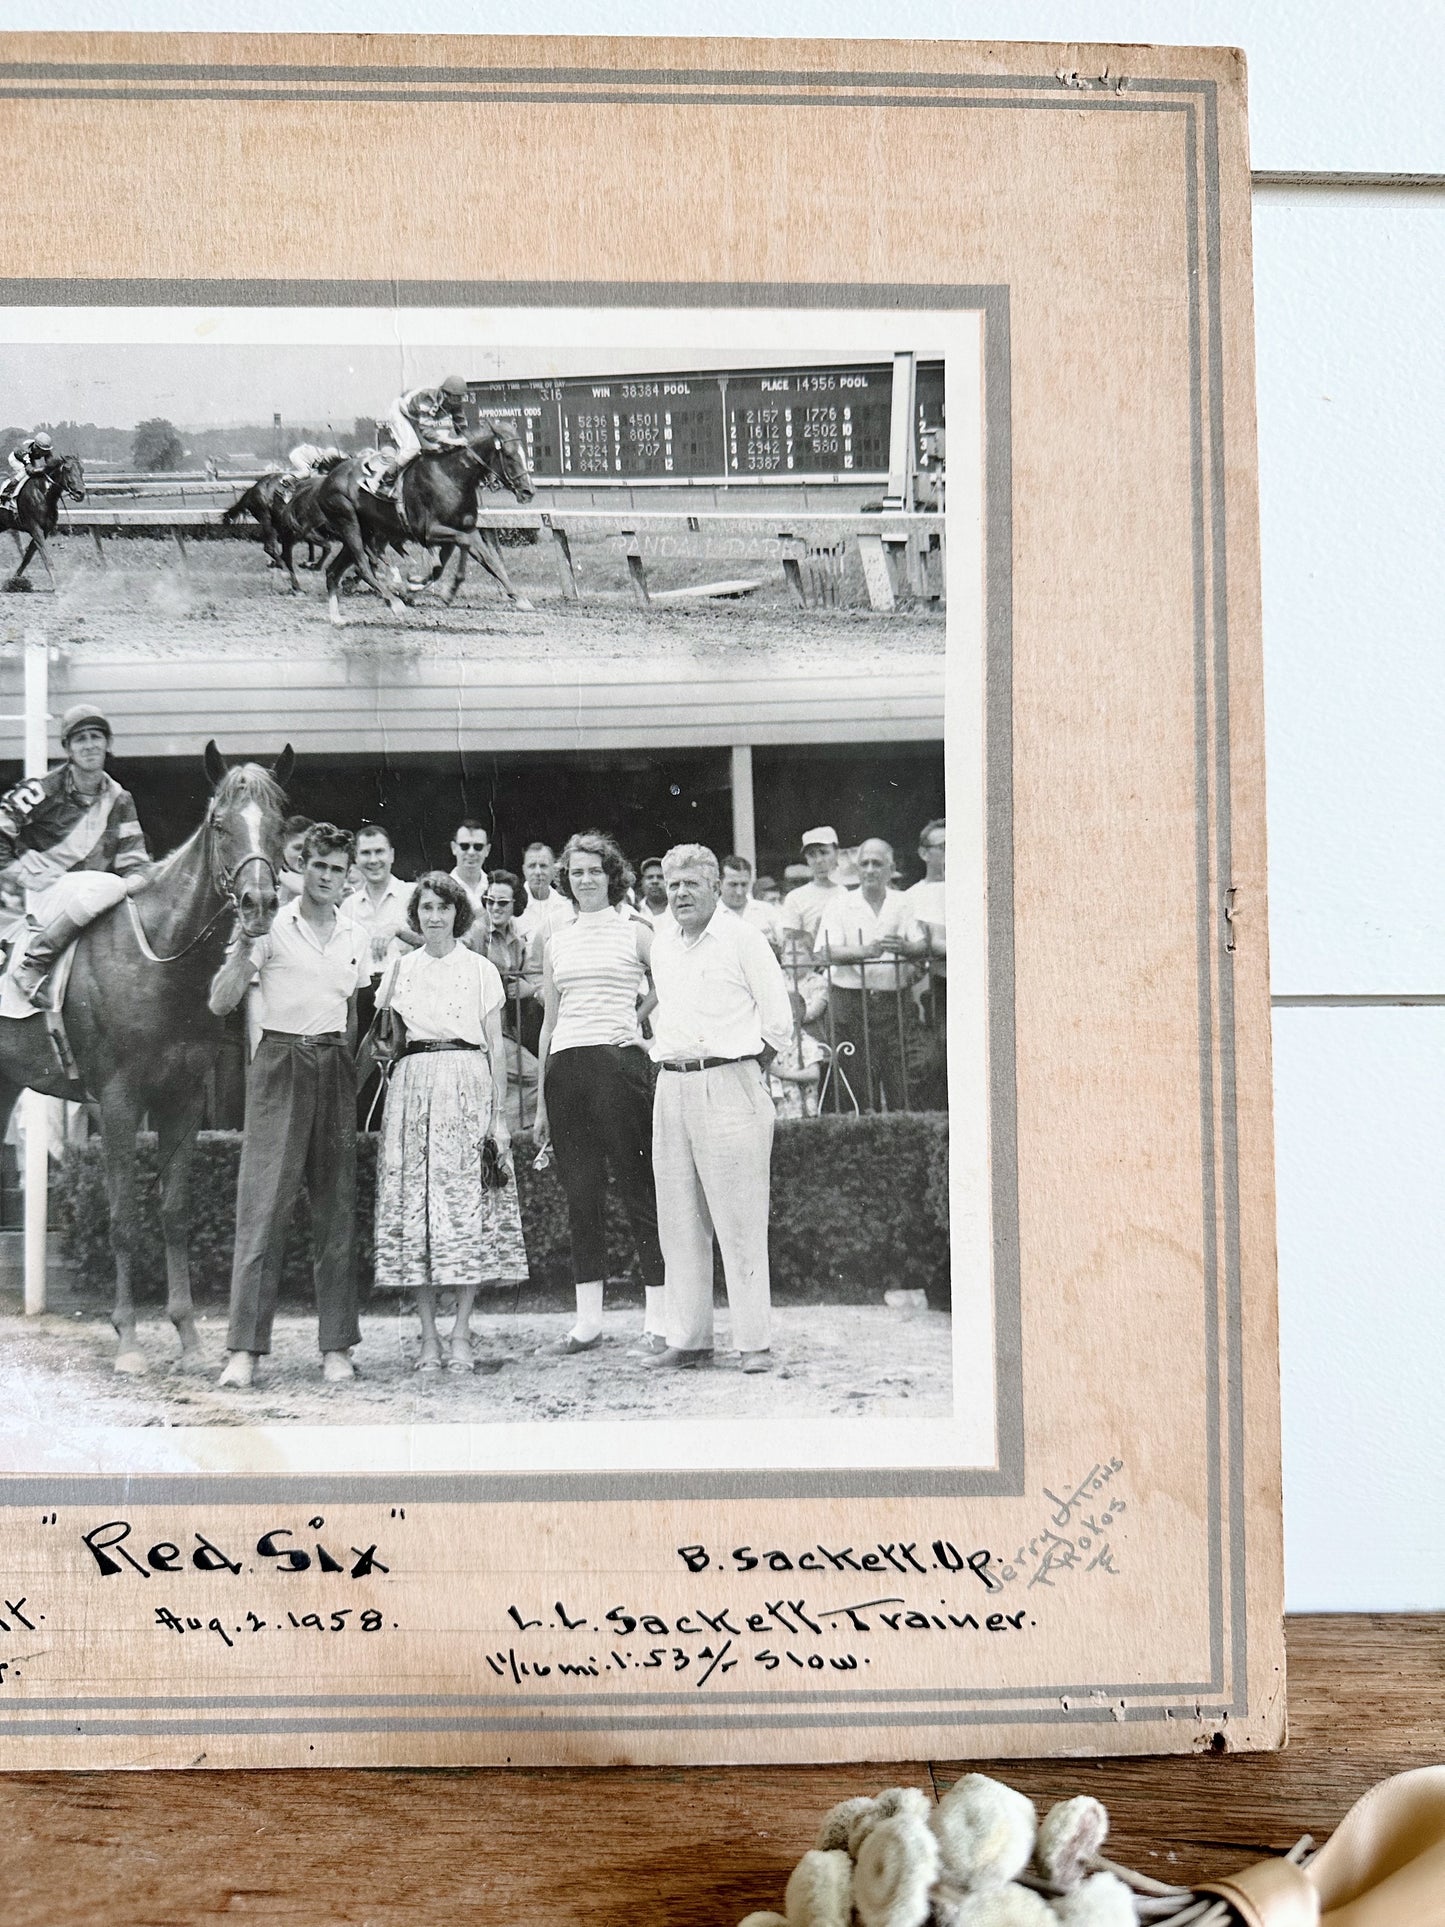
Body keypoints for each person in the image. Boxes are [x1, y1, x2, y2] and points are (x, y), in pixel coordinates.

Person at [208, 824, 370, 1389]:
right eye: (318, 866)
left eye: (336, 869)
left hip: (333, 1062)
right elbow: (222, 1000)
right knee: (263, 1211)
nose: (326, 877)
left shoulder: (355, 932)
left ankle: (337, 1348)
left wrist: (344, 1062)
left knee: (335, 1212)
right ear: (301, 868)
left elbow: (352, 1009)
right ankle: (244, 1352)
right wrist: (244, 946)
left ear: (348, 875)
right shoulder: (271, 924)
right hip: (279, 1062)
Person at [645, 844, 793, 1374]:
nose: (680, 893)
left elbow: (778, 1020)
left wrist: (744, 1069)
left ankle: (753, 1343)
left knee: (739, 1220)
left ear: (714, 887)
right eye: (672, 883)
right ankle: (689, 1339)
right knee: (679, 1220)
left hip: (730, 1082)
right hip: (672, 1086)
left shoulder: (743, 938)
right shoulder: (662, 943)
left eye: (690, 884)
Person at [372, 871, 527, 1373]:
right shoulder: (400, 969)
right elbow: (384, 1039)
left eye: (443, 907)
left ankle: (461, 1332)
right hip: (413, 1090)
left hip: (468, 1085)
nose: (433, 916)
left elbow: (496, 1049)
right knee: (416, 1211)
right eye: (425, 908)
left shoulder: (480, 970)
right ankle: (427, 1338)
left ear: (457, 913)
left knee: (466, 1210)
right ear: (414, 914)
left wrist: (498, 1119)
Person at [532, 829, 667, 1357]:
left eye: (594, 870)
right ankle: (587, 1324)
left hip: (619, 1068)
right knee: (580, 1196)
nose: (585, 879)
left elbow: (672, 984)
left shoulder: (636, 930)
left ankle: (657, 1322)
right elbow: (549, 1021)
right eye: (576, 871)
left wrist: (643, 1030)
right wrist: (543, 1100)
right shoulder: (555, 935)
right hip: (566, 1069)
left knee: (638, 1190)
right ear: (566, 878)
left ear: (613, 876)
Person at [0, 704, 151, 1007]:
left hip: (97, 900)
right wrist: (27, 874)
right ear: (68, 748)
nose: (90, 745)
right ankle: (34, 964)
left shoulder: (120, 798)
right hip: (49, 896)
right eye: (80, 739)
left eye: (96, 736)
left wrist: (139, 879)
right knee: (108, 885)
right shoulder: (42, 790)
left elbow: (134, 860)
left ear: (108, 744)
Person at [813, 836, 927, 1114]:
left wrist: (906, 948)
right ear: (857, 870)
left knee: (899, 1080)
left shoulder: (904, 902)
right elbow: (824, 952)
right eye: (864, 863)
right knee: (857, 1086)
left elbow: (922, 944)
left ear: (890, 869)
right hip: (850, 1004)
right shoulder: (840, 904)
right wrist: (865, 951)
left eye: (878, 863)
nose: (870, 870)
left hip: (893, 1005)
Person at [900, 818, 948, 1107]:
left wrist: (935, 940)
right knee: (933, 1057)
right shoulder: (911, 897)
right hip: (930, 988)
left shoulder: (973, 886)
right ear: (924, 853)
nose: (949, 853)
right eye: (941, 847)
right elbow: (916, 946)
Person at [782, 826, 852, 939]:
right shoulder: (795, 897)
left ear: (837, 853)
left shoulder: (848, 892)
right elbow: (791, 944)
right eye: (812, 855)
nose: (819, 860)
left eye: (824, 853)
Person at [387, 375, 470, 470]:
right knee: (412, 449)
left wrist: (467, 441)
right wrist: (452, 441)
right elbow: (426, 431)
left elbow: (461, 425)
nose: (459, 401)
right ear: (446, 394)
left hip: (418, 417)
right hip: (401, 413)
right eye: (456, 398)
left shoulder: (454, 402)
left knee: (437, 447)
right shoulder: (429, 399)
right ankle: (383, 480)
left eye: (461, 397)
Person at [514, 841, 576, 951]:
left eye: (543, 866)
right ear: (524, 870)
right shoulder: (512, 905)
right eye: (532, 866)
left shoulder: (566, 906)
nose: (538, 872)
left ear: (554, 869)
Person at [720, 854, 785, 953]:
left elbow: (784, 946)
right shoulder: (710, 915)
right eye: (733, 884)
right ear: (719, 883)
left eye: (744, 884)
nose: (739, 891)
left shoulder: (767, 910)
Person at [448, 818, 491, 920]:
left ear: (487, 850)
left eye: (478, 846)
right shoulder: (442, 889)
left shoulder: (495, 887)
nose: (471, 852)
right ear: (454, 848)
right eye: (464, 846)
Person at [3, 429, 52, 503]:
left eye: (47, 450)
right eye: (43, 451)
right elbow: (30, 470)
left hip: (30, 458)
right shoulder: (25, 450)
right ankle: (6, 491)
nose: (45, 453)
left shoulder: (45, 449)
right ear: (36, 447)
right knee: (24, 472)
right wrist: (42, 469)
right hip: (16, 459)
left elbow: (51, 464)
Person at [635, 856, 673, 930]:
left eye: (660, 877)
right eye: (650, 877)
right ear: (642, 882)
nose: (654, 881)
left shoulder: (678, 911)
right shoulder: (635, 911)